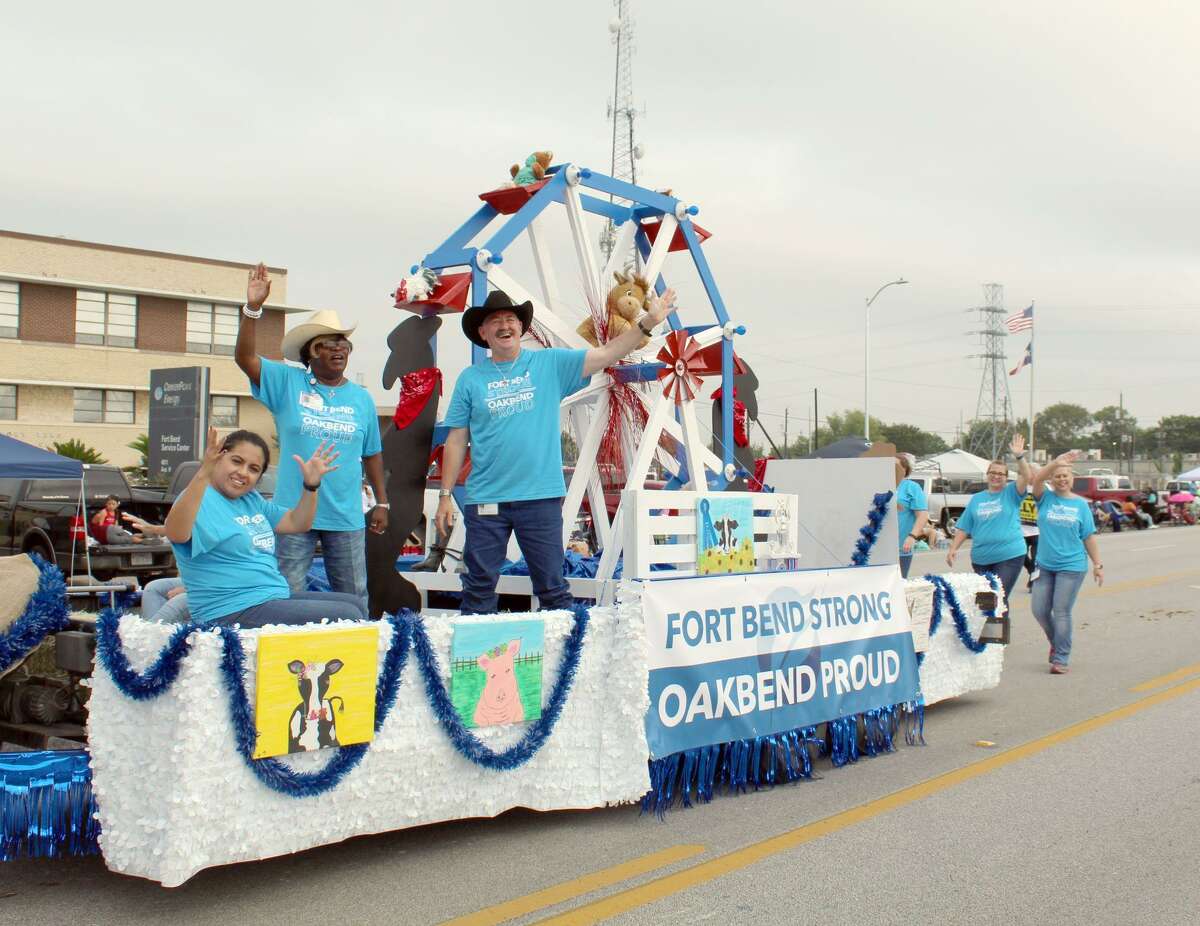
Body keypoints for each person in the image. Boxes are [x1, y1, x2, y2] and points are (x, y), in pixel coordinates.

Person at [435, 287, 674, 614]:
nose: (505, 326)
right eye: (495, 321)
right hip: (486, 499)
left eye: (511, 319)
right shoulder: (470, 379)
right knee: (477, 587)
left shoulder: (549, 364)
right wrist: (445, 495)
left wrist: (646, 324)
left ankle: (566, 662)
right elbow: (456, 439)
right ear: (482, 332)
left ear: (521, 328)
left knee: (551, 586)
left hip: (539, 497)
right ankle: (475, 663)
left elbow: (605, 355)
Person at [236, 264, 387, 607]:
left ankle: (354, 654)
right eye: (327, 344)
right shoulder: (287, 383)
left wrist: (382, 501)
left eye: (344, 345)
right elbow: (244, 358)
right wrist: (253, 309)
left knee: (353, 598)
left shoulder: (361, 398)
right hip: (292, 513)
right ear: (309, 353)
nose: (338, 350)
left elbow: (373, 453)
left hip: (345, 515)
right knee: (284, 594)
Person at [164, 427, 368, 628]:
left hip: (270, 598)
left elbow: (298, 522)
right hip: (229, 609)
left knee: (355, 603)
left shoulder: (251, 500)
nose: (243, 472)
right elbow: (175, 533)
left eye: (253, 469)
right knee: (348, 615)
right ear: (218, 458)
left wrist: (311, 486)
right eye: (236, 461)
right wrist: (203, 473)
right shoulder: (198, 498)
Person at [1030, 450, 1103, 675]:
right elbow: (1037, 479)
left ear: (1073, 480)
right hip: (1045, 564)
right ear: (1052, 479)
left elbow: (1088, 536)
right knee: (1040, 610)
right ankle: (1056, 642)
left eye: (1066, 476)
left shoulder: (1081, 505)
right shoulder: (1045, 498)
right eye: (1058, 476)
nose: (1062, 479)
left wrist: (1097, 565)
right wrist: (1055, 462)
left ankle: (1061, 657)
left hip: (1071, 566)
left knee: (1061, 611)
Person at [945, 434, 1032, 603]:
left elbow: (1026, 476)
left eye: (1001, 474)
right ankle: (989, 630)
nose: (996, 476)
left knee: (997, 597)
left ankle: (1000, 630)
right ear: (987, 475)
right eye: (993, 472)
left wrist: (1019, 456)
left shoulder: (1011, 493)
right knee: (985, 602)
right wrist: (953, 549)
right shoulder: (977, 499)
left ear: (1007, 478)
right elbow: (964, 527)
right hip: (981, 558)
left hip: (1009, 554)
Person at [894, 454, 928, 579]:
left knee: (898, 583)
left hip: (902, 547)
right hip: (879, 549)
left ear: (905, 470)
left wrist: (912, 536)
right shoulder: (879, 485)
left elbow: (922, 515)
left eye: (896, 466)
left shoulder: (911, 487)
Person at [1018, 489, 1039, 591]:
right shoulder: (1019, 489)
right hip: (1021, 532)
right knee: (1021, 557)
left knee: (1036, 560)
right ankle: (1032, 571)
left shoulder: (1042, 488)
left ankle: (1033, 582)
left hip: (1038, 532)